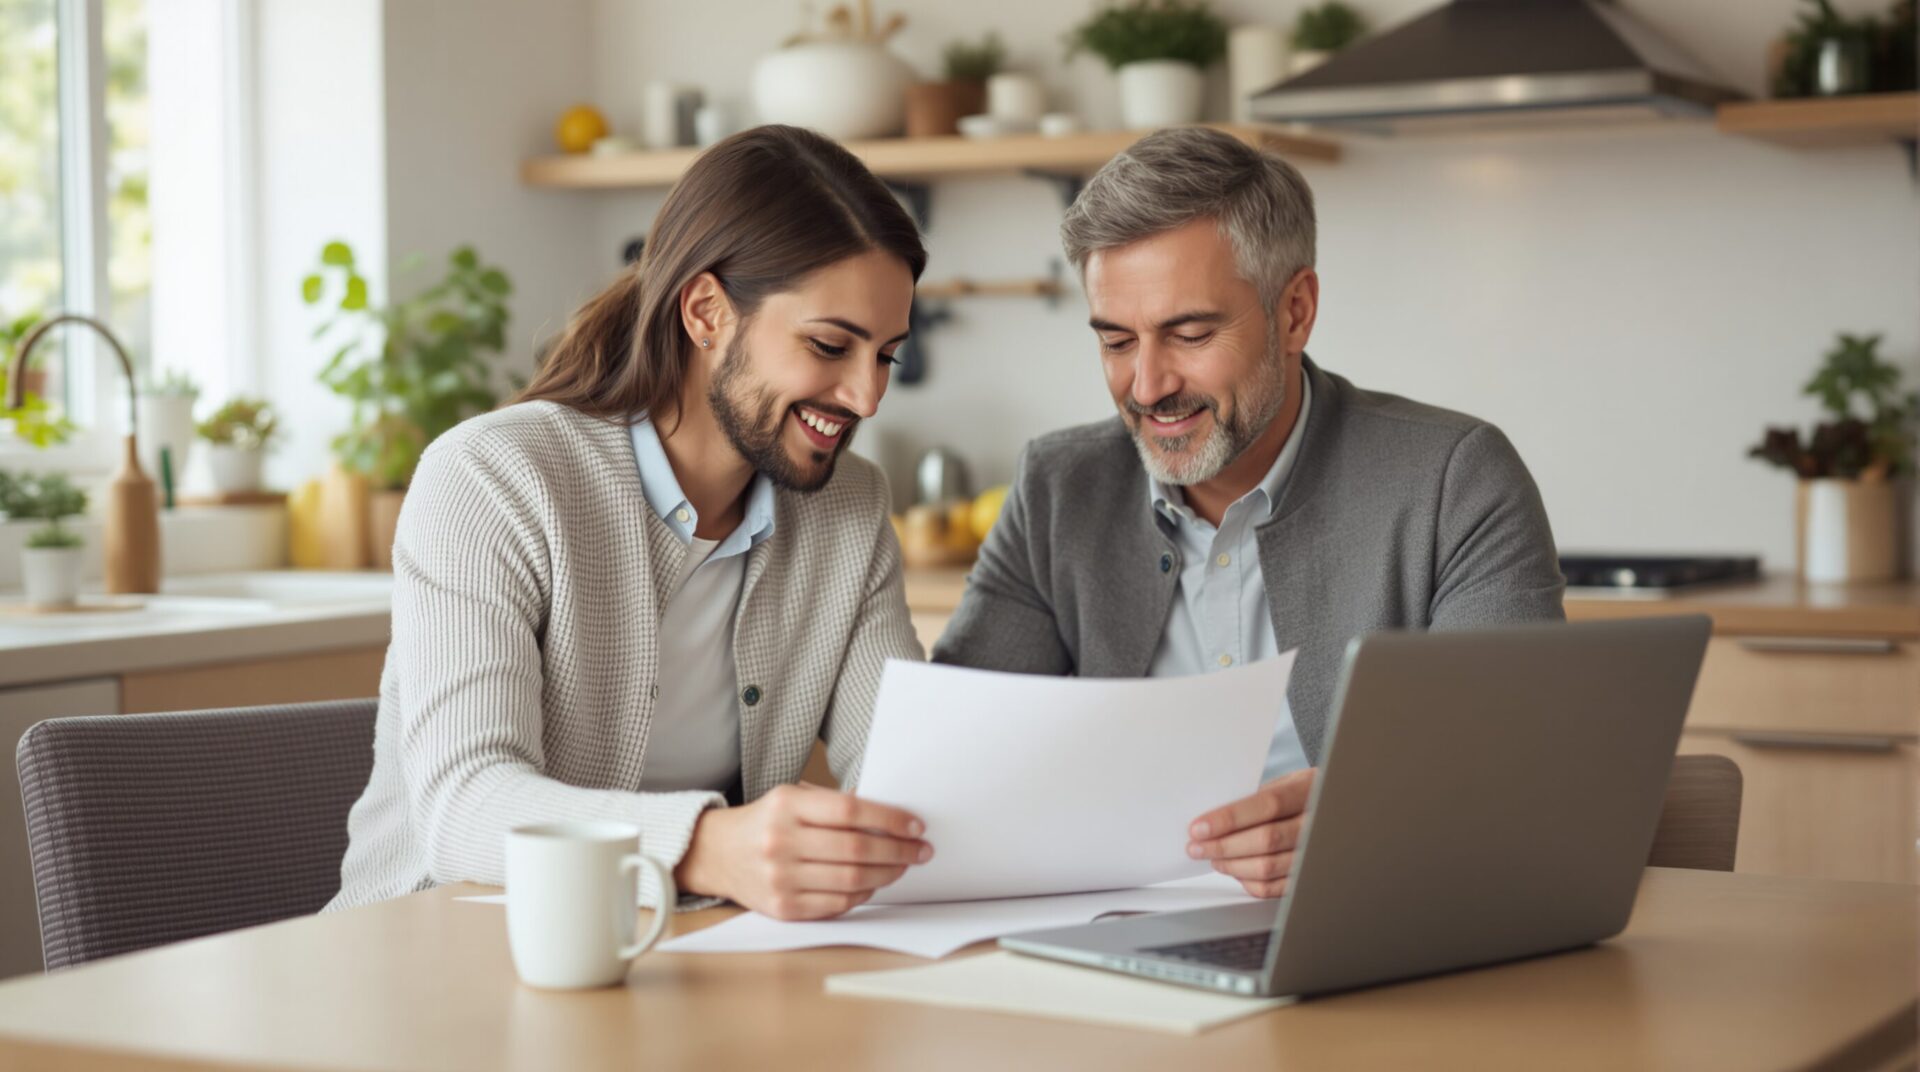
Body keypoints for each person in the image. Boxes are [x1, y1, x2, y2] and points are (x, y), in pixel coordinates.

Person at [933, 127, 1564, 899]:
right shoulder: (1056, 489)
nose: (1147, 385)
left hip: (1376, 929)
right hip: (1112, 950)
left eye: (1190, 333)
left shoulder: (1455, 480)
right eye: (1116, 341)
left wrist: (1368, 819)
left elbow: (1515, 771)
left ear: (1294, 312)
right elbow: (955, 759)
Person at [330, 126, 935, 921]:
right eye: (830, 345)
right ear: (707, 312)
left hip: (673, 957)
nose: (867, 396)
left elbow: (901, 777)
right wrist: (713, 848)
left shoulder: (848, 509)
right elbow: (464, 808)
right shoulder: (494, 478)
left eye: (887, 355)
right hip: (431, 951)